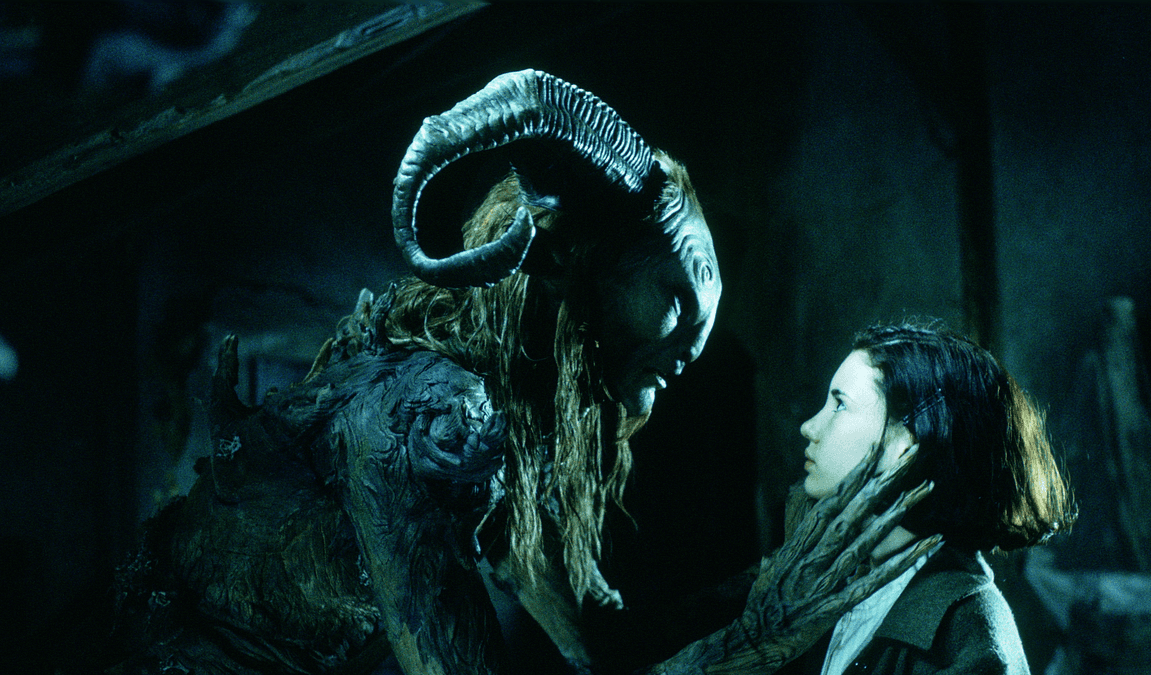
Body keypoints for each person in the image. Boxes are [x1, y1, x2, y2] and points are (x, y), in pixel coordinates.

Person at [84, 70, 933, 675]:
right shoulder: (433, 418)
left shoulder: (504, 447)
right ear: (567, 261)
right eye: (674, 296)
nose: (692, 349)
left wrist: (771, 582)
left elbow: (599, 651)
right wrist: (766, 629)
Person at [782, 322, 1076, 675]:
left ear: (904, 445)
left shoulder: (966, 642)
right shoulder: (842, 591)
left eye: (839, 404)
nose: (810, 427)